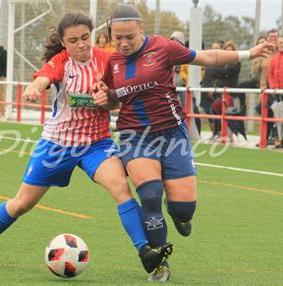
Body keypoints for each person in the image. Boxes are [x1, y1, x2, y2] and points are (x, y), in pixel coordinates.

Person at [0, 12, 172, 274]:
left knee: (121, 188)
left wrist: (108, 100)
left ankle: (145, 253)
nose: (81, 44)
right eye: (73, 40)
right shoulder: (60, 62)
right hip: (56, 145)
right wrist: (34, 88)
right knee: (22, 204)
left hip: (97, 144)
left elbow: (117, 101)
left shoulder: (107, 60)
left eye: (85, 37)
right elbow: (43, 79)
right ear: (63, 42)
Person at [91, 3, 273, 281]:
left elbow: (208, 57)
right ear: (110, 34)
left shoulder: (164, 47)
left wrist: (250, 53)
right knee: (150, 196)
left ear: (142, 29)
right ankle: (160, 261)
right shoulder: (111, 62)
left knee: (183, 208)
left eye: (130, 36)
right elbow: (115, 98)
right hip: (134, 135)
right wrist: (105, 99)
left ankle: (178, 215)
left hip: (173, 134)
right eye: (118, 37)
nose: (124, 43)